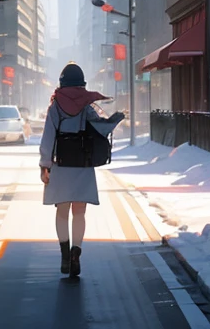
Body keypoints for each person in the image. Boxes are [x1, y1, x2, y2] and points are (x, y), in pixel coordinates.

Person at [39, 63, 124, 277]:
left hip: (60, 163)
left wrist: (45, 165)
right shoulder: (87, 105)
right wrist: (114, 120)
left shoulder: (56, 105)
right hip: (83, 163)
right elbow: (100, 129)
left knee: (62, 211)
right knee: (79, 211)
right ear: (82, 83)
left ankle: (65, 255)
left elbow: (48, 137)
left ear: (62, 82)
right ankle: (77, 253)